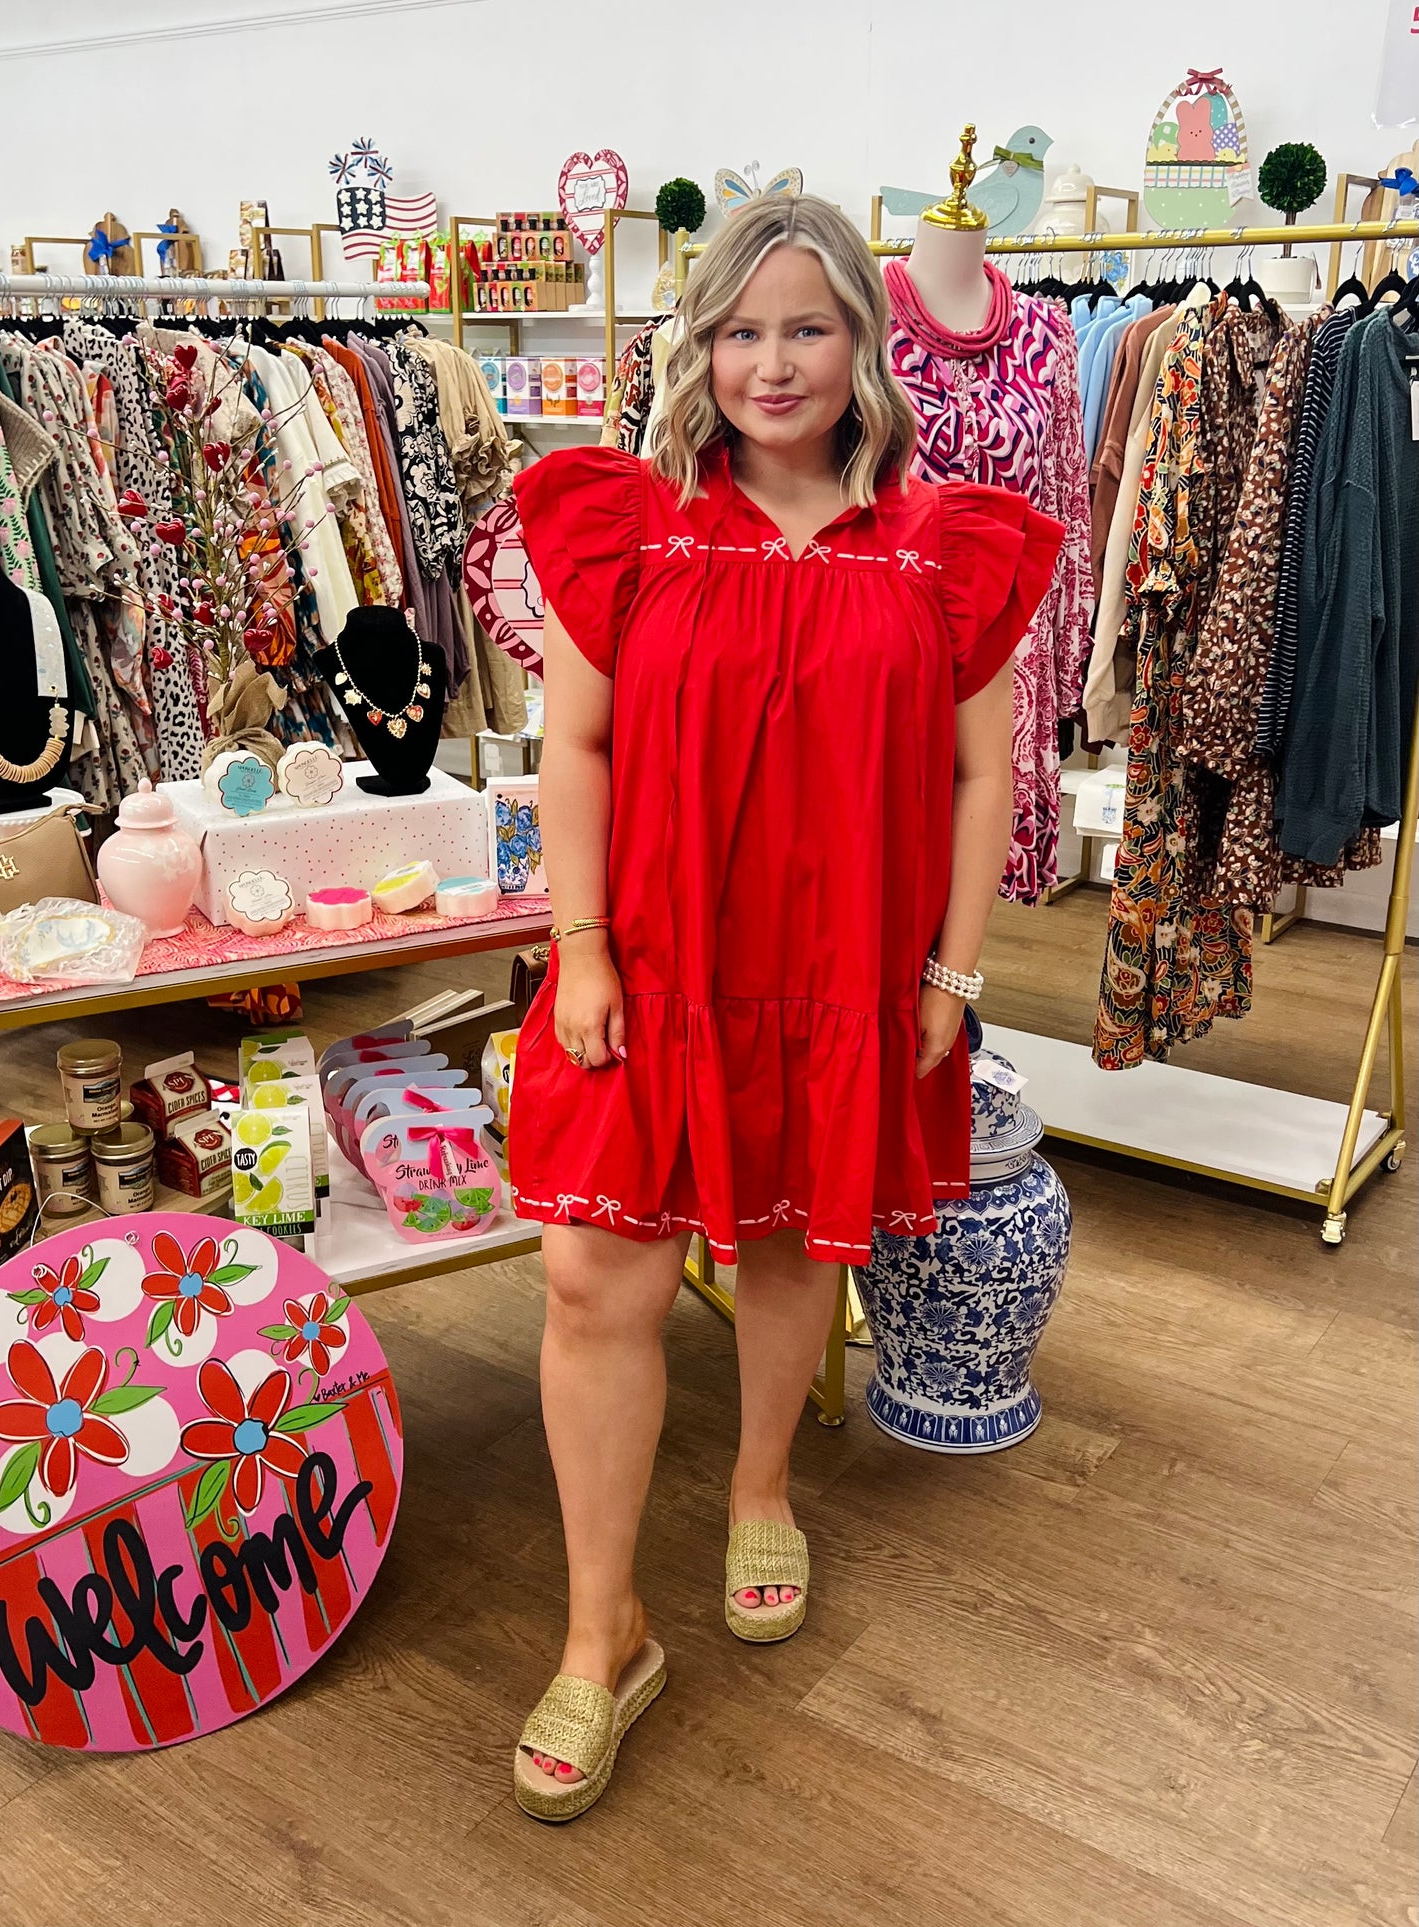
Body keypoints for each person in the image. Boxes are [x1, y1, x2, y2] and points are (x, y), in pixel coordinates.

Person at [507, 194, 1063, 1821]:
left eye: (805, 326)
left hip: (842, 981)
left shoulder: (942, 546)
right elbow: (578, 749)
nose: (770, 362)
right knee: (590, 1278)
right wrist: (585, 946)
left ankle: (762, 1487)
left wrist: (953, 973)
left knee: (784, 1234)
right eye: (740, 328)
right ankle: (601, 1632)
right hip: (656, 970)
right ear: (700, 344)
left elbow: (978, 775)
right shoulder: (629, 527)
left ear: (862, 345)